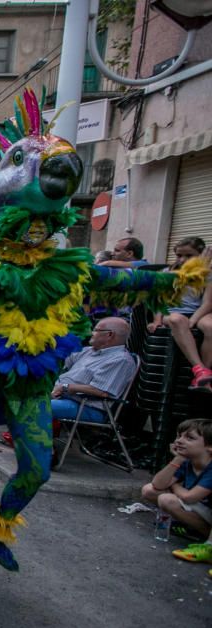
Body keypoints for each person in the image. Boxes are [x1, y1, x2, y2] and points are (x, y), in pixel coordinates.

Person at [141, 418, 212, 565]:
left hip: (203, 507)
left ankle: (207, 542)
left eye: (189, 438)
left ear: (209, 447)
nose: (180, 441)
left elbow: (189, 497)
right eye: (179, 436)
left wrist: (175, 486)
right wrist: (178, 459)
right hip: (201, 507)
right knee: (149, 490)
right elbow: (157, 484)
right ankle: (195, 530)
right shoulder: (187, 461)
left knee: (167, 499)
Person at [146, 238, 212, 388]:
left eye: (189, 256)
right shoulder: (167, 273)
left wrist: (194, 320)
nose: (183, 260)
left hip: (198, 313)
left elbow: (208, 303)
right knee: (177, 319)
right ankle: (199, 369)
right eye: (179, 255)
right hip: (173, 313)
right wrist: (157, 320)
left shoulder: (208, 275)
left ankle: (204, 375)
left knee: (210, 326)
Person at [50, 317, 136, 423]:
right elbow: (59, 361)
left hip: (86, 407)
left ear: (110, 335)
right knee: (27, 398)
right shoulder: (88, 351)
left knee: (32, 407)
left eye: (96, 330)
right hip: (60, 397)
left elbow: (101, 391)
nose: (91, 333)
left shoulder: (121, 360)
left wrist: (65, 387)